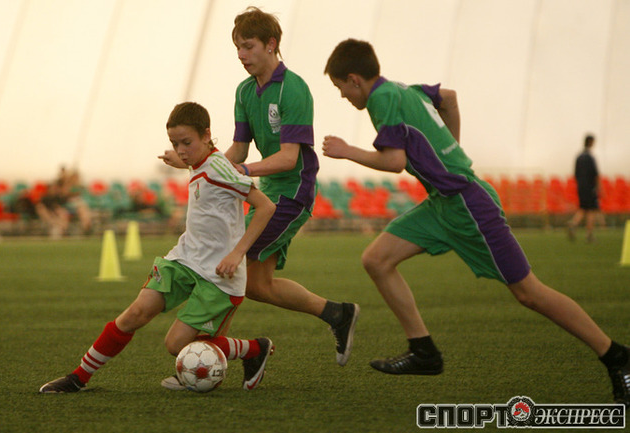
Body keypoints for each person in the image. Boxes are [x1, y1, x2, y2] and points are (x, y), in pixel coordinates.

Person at [321, 39, 629, 406]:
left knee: (529, 293)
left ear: (354, 79)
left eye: (339, 87)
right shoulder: (405, 89)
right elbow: (449, 98)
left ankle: (616, 356)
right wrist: (451, 149)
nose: (341, 96)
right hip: (442, 202)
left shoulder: (380, 99)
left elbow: (394, 162)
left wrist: (346, 151)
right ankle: (423, 351)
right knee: (376, 259)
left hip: (467, 206)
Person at [39, 102, 277, 393]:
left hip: (219, 275)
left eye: (186, 143)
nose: (181, 150)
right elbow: (197, 162)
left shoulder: (219, 169)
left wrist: (237, 253)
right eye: (175, 144)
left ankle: (255, 349)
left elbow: (266, 207)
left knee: (176, 345)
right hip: (185, 260)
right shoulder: (199, 160)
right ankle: (78, 377)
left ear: (207, 135)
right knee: (135, 313)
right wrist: (182, 160)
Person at [225, 6, 359, 366]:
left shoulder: (293, 89)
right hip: (269, 190)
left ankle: (213, 348)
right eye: (237, 47)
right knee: (256, 285)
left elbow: (288, 158)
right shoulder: (244, 90)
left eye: (248, 46)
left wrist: (241, 171)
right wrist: (205, 166)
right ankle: (337, 314)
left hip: (293, 190)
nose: (241, 55)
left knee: (232, 261)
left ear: (271, 44)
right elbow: (239, 149)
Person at [567, 134, 603, 242]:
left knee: (583, 208)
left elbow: (575, 174)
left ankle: (573, 224)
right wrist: (599, 188)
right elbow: (595, 174)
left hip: (581, 187)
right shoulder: (590, 158)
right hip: (590, 187)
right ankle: (589, 234)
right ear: (591, 142)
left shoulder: (579, 157)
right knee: (591, 210)